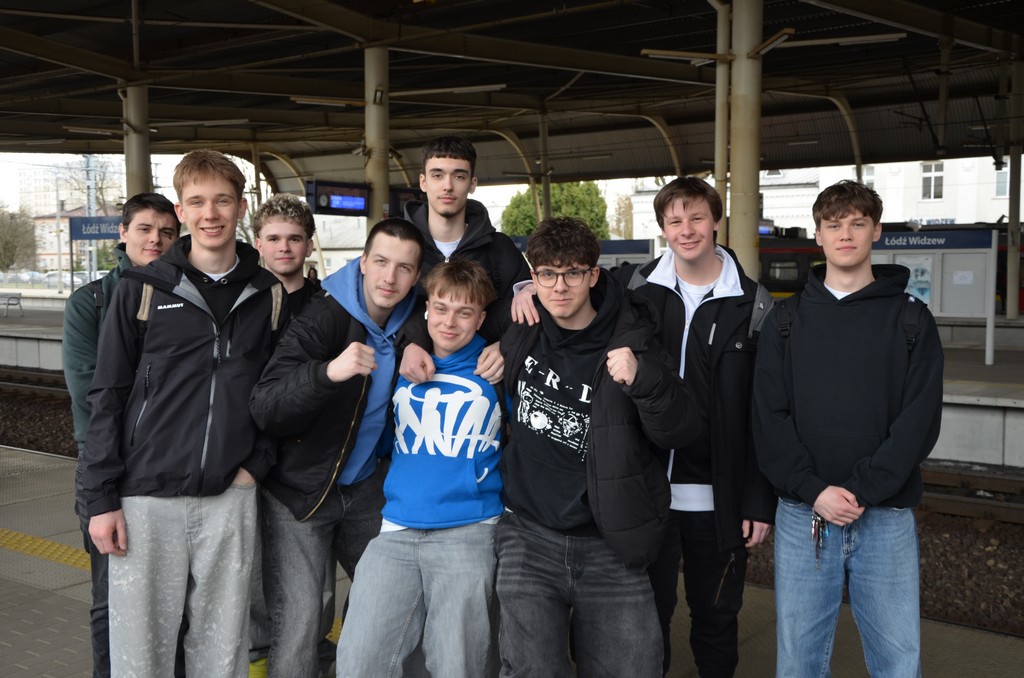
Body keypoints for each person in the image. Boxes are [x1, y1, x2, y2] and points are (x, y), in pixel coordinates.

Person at [79, 149, 286, 677]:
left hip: (229, 495)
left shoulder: (268, 296)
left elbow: (276, 394)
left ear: (242, 207)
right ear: (181, 210)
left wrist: (254, 467)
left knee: (223, 652)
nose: (210, 213)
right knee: (140, 654)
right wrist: (102, 498)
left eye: (222, 201)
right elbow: (106, 395)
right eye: (197, 202)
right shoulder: (142, 289)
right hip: (145, 498)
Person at [753, 180, 943, 677]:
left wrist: (860, 490)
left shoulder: (912, 320)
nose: (845, 234)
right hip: (803, 515)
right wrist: (814, 490)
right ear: (818, 235)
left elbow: (919, 422)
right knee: (799, 663)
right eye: (834, 225)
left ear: (876, 231)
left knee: (898, 662)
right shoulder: (785, 321)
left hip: (885, 518)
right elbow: (768, 418)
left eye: (858, 223)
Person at [496, 216, 699, 678]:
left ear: (592, 275)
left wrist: (643, 379)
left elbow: (682, 430)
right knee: (530, 670)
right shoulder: (522, 329)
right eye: (547, 274)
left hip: (611, 544)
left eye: (572, 273)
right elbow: (449, 310)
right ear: (533, 277)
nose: (559, 286)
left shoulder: (633, 340)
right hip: (529, 537)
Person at [249, 218, 426, 678]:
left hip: (365, 486)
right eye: (381, 262)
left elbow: (466, 306)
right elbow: (266, 406)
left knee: (391, 598)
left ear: (416, 277)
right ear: (362, 262)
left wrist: (416, 340)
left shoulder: (413, 318)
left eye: (404, 268)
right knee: (302, 619)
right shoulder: (323, 316)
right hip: (302, 489)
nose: (390, 277)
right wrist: (328, 373)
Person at [628, 177, 775, 677]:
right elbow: (567, 289)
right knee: (647, 620)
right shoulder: (637, 291)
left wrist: (757, 500)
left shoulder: (754, 304)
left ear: (715, 221)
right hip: (648, 494)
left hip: (719, 500)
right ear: (663, 228)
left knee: (716, 619)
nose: (686, 230)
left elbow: (764, 412)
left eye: (696, 218)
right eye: (675, 221)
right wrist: (523, 289)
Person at [335, 260, 503, 678]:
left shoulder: (497, 367)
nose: (450, 322)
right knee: (358, 662)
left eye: (464, 313)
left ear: (481, 318)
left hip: (469, 532)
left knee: (456, 665)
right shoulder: (401, 365)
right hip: (396, 529)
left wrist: (509, 345)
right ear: (427, 309)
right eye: (441, 308)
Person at [62, 192, 180, 678]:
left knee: (172, 596)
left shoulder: (184, 297)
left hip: (170, 468)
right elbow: (91, 392)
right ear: (123, 232)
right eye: (145, 229)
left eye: (167, 232)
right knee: (110, 597)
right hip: (107, 466)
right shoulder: (90, 302)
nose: (156, 240)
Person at [249, 193, 333, 677]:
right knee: (257, 581)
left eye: (294, 238)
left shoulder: (328, 305)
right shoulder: (244, 304)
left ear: (309, 244)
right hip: (250, 460)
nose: (284, 248)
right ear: (258, 243)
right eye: (275, 238)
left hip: (306, 463)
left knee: (313, 589)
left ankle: (313, 659)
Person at [400, 135, 530, 384]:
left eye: (459, 176)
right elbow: (381, 307)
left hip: (484, 383)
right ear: (423, 182)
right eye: (438, 175)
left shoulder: (499, 248)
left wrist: (506, 346)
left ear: (472, 184)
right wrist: (410, 344)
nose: (448, 186)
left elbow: (531, 315)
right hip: (413, 379)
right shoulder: (402, 247)